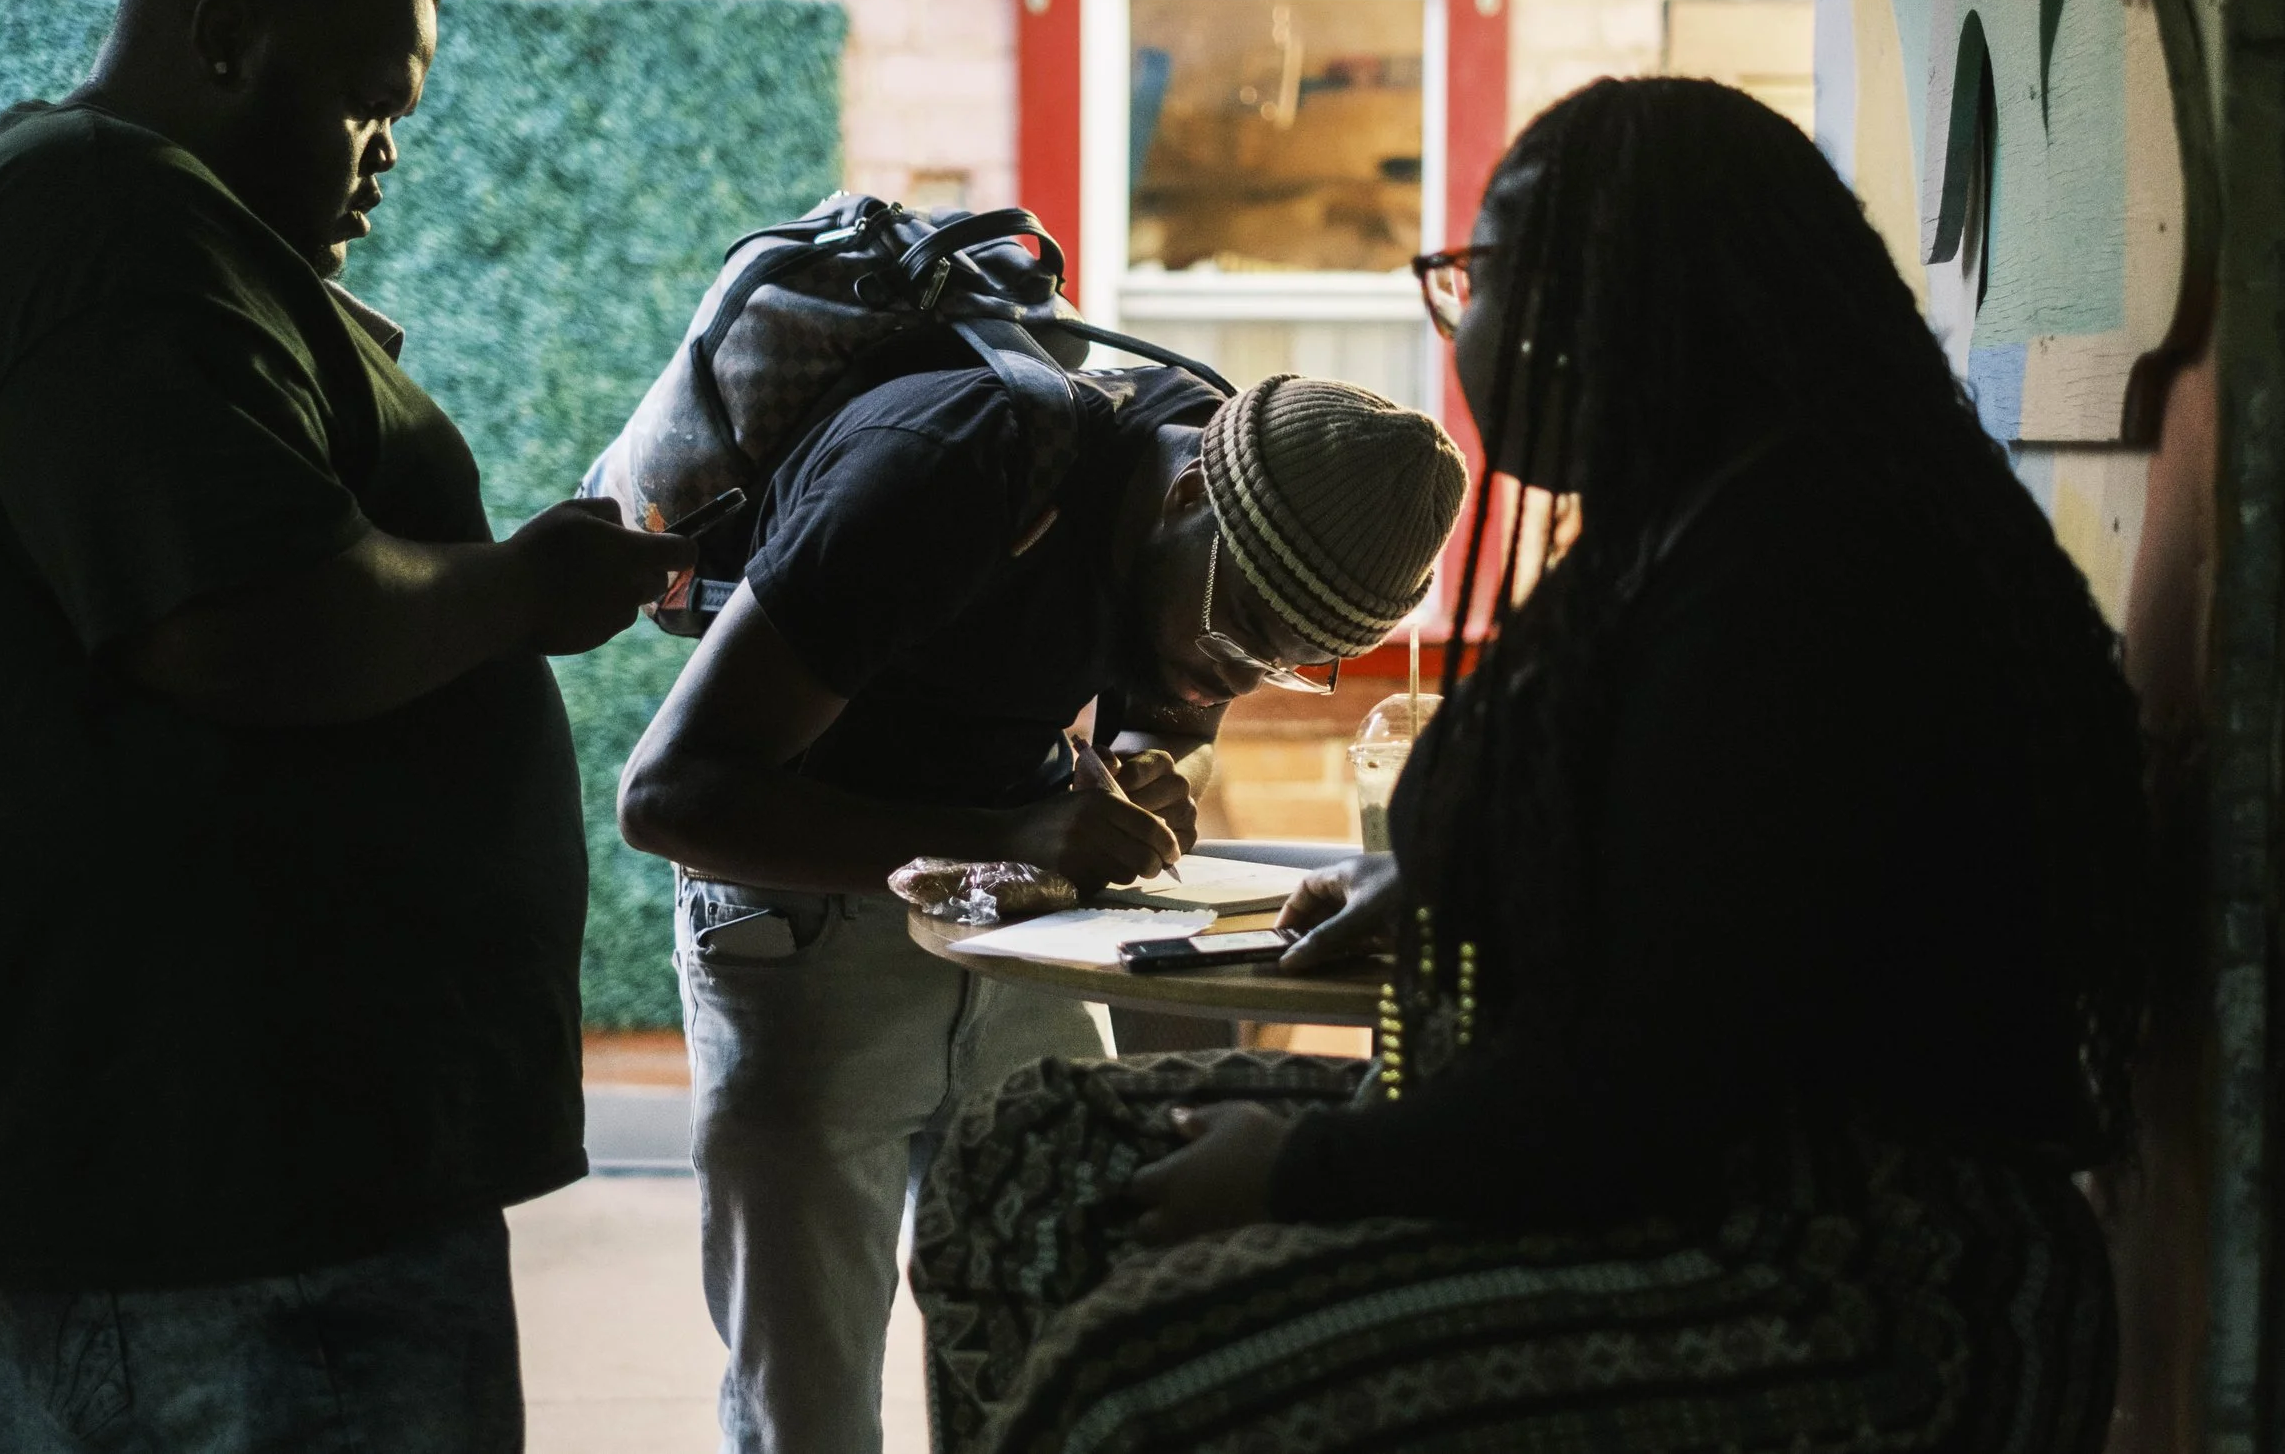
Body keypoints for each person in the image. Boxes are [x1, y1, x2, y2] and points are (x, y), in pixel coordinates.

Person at [911, 77, 2151, 1452]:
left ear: (1604, 300)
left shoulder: (1803, 578)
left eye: (1482, 271)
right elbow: (1672, 880)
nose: (1463, 322)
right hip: (1639, 1161)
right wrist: (1437, 886)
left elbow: (1648, 1080)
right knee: (1026, 1167)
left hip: (1844, 1259)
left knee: (1130, 1380)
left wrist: (1304, 1171)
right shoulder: (1678, 529)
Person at [0, 0, 690, 1452]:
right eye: (362, 100)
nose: (387, 152)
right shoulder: (108, 227)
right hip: (219, 1186)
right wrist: (528, 587)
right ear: (222, 39)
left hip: (156, 1160)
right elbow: (253, 624)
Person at [619, 367, 1465, 1454]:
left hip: (1027, 930)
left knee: (1062, 1344)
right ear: (1183, 491)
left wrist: (1139, 760)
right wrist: (1001, 838)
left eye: (1282, 664)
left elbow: (1160, 707)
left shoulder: (1206, 515)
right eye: (1240, 625)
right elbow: (669, 793)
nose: (1235, 675)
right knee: (811, 1401)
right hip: (810, 923)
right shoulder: (942, 470)